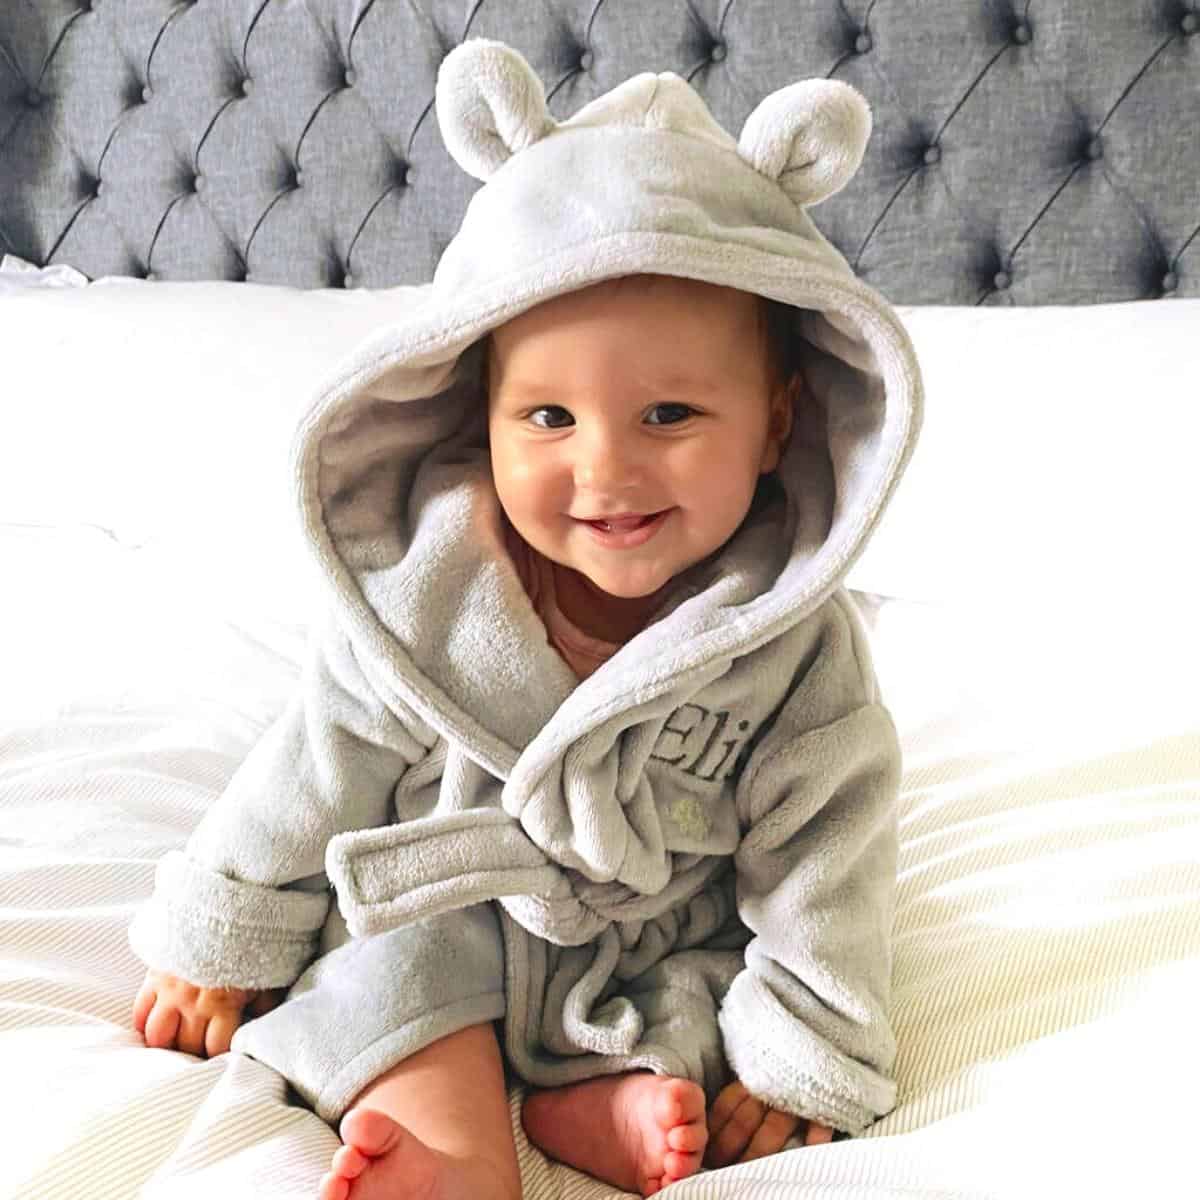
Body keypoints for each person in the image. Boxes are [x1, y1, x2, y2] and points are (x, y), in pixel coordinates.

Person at [129, 38, 922, 1200]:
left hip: (648, 933)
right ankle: (454, 1148)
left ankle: (596, 1106)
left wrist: (807, 1049)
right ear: (479, 414)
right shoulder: (422, 595)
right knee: (390, 974)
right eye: (548, 415)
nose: (605, 468)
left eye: (668, 413)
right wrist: (226, 933)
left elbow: (827, 856)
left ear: (776, 424)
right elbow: (315, 767)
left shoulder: (792, 646)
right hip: (460, 897)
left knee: (708, 1010)